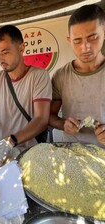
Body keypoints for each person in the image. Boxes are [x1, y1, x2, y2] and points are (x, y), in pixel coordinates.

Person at [0, 25, 52, 169]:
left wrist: (10, 141)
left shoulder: (39, 76)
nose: (0, 59)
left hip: (32, 154)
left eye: (5, 52)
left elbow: (42, 119)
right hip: (2, 155)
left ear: (21, 48)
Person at [49, 4, 105, 147]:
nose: (85, 47)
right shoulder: (61, 76)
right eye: (77, 40)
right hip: (73, 157)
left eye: (92, 37)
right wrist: (63, 124)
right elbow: (49, 116)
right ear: (69, 40)